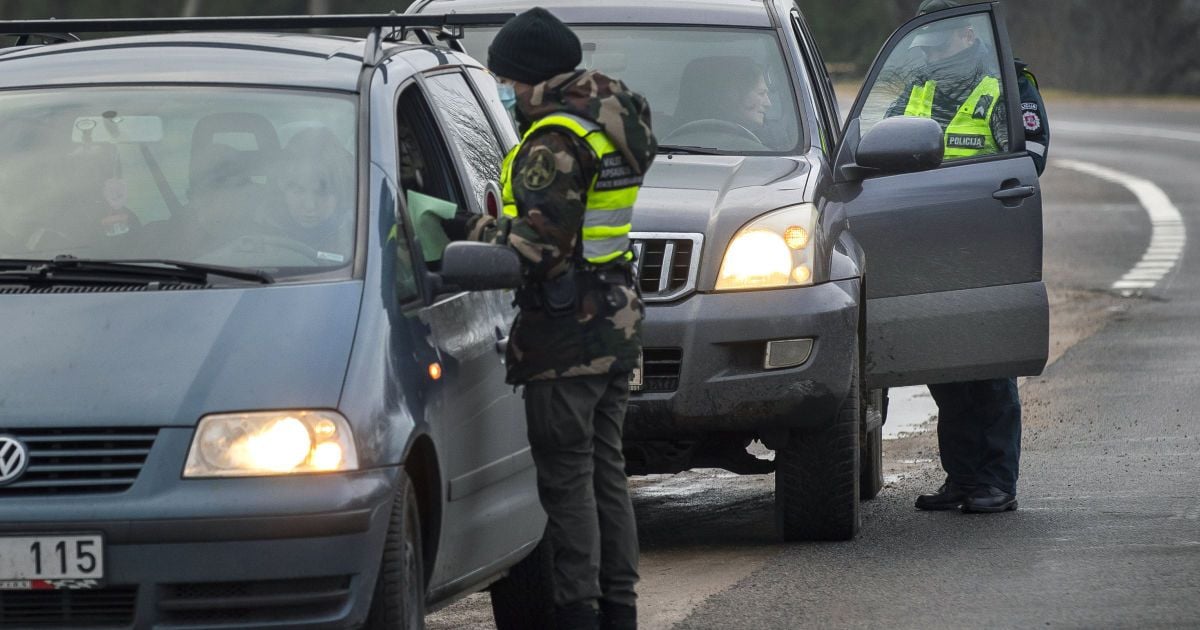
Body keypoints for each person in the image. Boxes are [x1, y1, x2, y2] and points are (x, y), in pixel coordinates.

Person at [443, 7, 656, 629]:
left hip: (568, 330)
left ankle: (577, 613)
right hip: (615, 321)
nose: (504, 93)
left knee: (568, 486)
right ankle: (619, 610)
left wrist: (464, 226)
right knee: (605, 476)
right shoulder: (609, 125)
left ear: (533, 79)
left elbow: (535, 250)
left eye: (507, 82)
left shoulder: (554, 142)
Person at [897, 0, 1050, 514]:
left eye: (939, 44)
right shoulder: (921, 83)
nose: (931, 54)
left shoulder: (1009, 82)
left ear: (966, 36)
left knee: (988, 368)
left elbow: (1031, 157)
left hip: (985, 240)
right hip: (928, 246)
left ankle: (996, 482)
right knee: (944, 368)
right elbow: (886, 141)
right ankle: (961, 479)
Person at [265, 128, 354, 262]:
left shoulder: (358, 236)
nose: (310, 206)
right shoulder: (257, 229)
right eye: (298, 191)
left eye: (322, 193)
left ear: (341, 192)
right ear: (281, 188)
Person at [672, 57, 772, 144]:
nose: (768, 103)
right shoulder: (662, 137)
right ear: (732, 94)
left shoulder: (777, 142)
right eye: (761, 93)